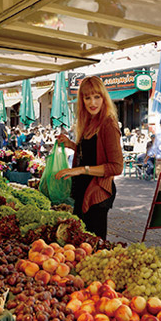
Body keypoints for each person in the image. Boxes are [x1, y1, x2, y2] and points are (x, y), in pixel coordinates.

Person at [55, 76, 123, 239]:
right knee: (80, 241)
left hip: (97, 191)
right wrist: (72, 145)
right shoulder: (90, 122)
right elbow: (92, 153)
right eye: (88, 98)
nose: (93, 103)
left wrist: (80, 170)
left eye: (97, 97)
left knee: (93, 242)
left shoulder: (108, 124)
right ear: (82, 100)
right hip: (83, 188)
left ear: (104, 98)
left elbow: (116, 167)